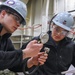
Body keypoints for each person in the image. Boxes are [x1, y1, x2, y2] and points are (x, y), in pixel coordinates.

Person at [0, 0, 48, 74]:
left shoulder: (6, 41)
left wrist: (31, 61)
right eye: (16, 18)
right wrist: (25, 53)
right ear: (3, 14)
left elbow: (13, 64)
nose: (18, 24)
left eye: (21, 22)